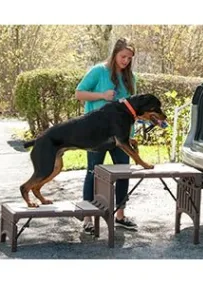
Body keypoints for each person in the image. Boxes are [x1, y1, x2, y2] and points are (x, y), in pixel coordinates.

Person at [75, 37, 138, 234]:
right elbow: (79, 93)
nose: (126, 61)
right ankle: (87, 217)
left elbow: (131, 109)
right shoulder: (98, 71)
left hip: (121, 136)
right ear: (115, 54)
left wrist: (132, 134)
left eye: (129, 58)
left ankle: (120, 215)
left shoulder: (130, 78)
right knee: (93, 172)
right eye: (123, 56)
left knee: (122, 172)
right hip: (97, 134)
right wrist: (102, 96)